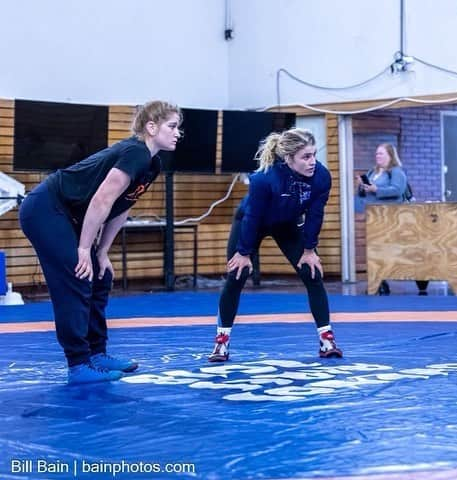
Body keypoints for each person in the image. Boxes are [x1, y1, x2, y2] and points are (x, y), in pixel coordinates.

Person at [19, 100, 182, 384]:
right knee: (78, 275)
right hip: (45, 208)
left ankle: (96, 353)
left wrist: (102, 252)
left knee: (100, 274)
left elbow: (122, 206)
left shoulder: (152, 163)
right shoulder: (135, 152)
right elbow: (102, 199)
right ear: (151, 127)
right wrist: (84, 249)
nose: (178, 132)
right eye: (172, 126)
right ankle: (78, 364)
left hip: (67, 214)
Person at [208, 128, 342, 362]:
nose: (312, 162)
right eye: (305, 157)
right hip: (253, 222)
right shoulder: (264, 178)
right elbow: (252, 216)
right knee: (237, 275)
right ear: (289, 159)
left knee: (312, 272)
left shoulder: (321, 177)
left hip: (287, 224)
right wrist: (243, 252)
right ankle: (222, 342)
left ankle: (326, 340)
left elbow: (315, 215)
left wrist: (309, 250)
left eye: (314, 155)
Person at [355, 144, 422, 295]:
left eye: (381, 154)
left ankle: (382, 279)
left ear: (390, 156)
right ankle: (378, 280)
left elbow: (397, 190)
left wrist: (376, 189)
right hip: (373, 217)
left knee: (386, 249)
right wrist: (362, 186)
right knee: (374, 250)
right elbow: (364, 194)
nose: (377, 156)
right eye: (376, 153)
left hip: (390, 218)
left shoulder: (396, 172)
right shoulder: (372, 172)